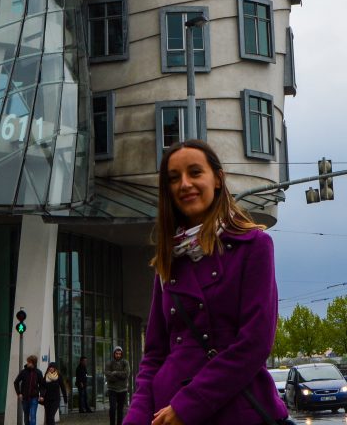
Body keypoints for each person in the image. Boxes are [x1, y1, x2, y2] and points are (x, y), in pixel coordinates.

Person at [123, 140, 290, 425]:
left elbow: (254, 343)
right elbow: (154, 355)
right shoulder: (169, 261)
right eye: (174, 178)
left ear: (217, 179)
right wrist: (136, 417)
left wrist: (187, 406)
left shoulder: (254, 246)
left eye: (195, 172)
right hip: (168, 411)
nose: (185, 184)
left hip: (232, 411)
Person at [14, 354, 44, 425]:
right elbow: (16, 382)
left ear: (33, 363)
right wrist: (19, 393)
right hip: (24, 398)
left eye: (29, 362)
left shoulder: (38, 373)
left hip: (34, 398)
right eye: (27, 362)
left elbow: (42, 386)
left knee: (33, 416)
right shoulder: (23, 372)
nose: (27, 363)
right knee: (26, 416)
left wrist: (42, 395)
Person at [105, 346, 130, 425]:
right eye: (116, 353)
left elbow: (126, 374)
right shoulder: (109, 363)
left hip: (123, 390)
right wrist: (119, 377)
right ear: (114, 354)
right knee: (112, 408)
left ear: (121, 354)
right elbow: (107, 375)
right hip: (112, 389)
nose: (118, 355)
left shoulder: (125, 363)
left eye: (119, 354)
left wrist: (115, 373)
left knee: (120, 409)